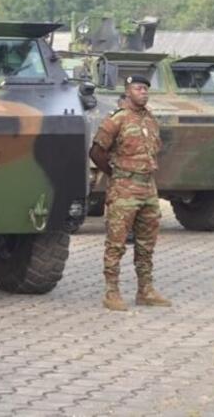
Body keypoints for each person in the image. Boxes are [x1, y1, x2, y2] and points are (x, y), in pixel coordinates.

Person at [89, 75, 172, 311]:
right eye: (138, 88)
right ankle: (111, 292)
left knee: (147, 243)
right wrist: (115, 173)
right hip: (124, 189)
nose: (143, 92)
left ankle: (145, 290)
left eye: (146, 88)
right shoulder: (117, 120)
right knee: (116, 243)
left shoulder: (150, 119)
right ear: (127, 92)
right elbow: (96, 152)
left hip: (148, 187)